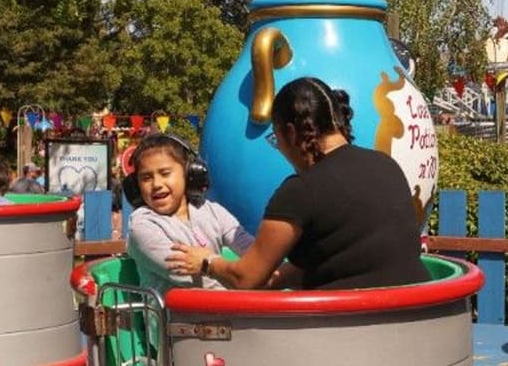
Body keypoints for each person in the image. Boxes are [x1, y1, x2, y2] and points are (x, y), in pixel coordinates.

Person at [167, 77, 426, 292]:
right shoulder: (386, 165)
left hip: (348, 325)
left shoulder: (300, 191)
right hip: (416, 314)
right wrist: (276, 279)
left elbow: (245, 279)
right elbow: (347, 258)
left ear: (291, 132)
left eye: (276, 139)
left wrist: (207, 262)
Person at [125, 134, 253, 291]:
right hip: (174, 308)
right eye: (146, 178)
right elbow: (195, 280)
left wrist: (269, 272)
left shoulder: (213, 211)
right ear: (136, 186)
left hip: (225, 303)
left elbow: (252, 251)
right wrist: (244, 281)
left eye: (165, 173)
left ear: (189, 174)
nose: (156, 184)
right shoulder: (142, 225)